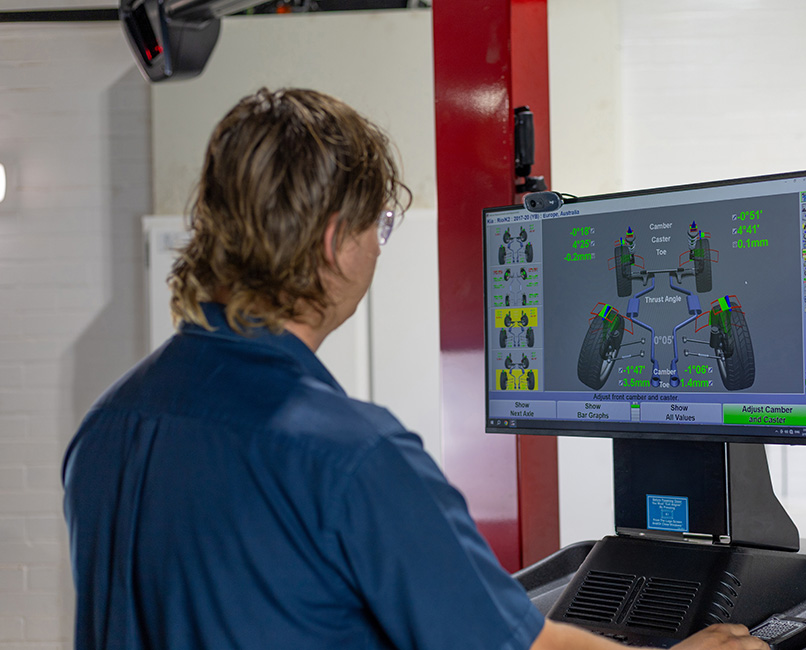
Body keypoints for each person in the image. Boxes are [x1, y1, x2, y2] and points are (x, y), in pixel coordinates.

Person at [62, 88, 766, 650]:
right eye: (380, 228)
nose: (378, 249)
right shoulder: (350, 456)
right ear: (337, 241)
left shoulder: (105, 429)